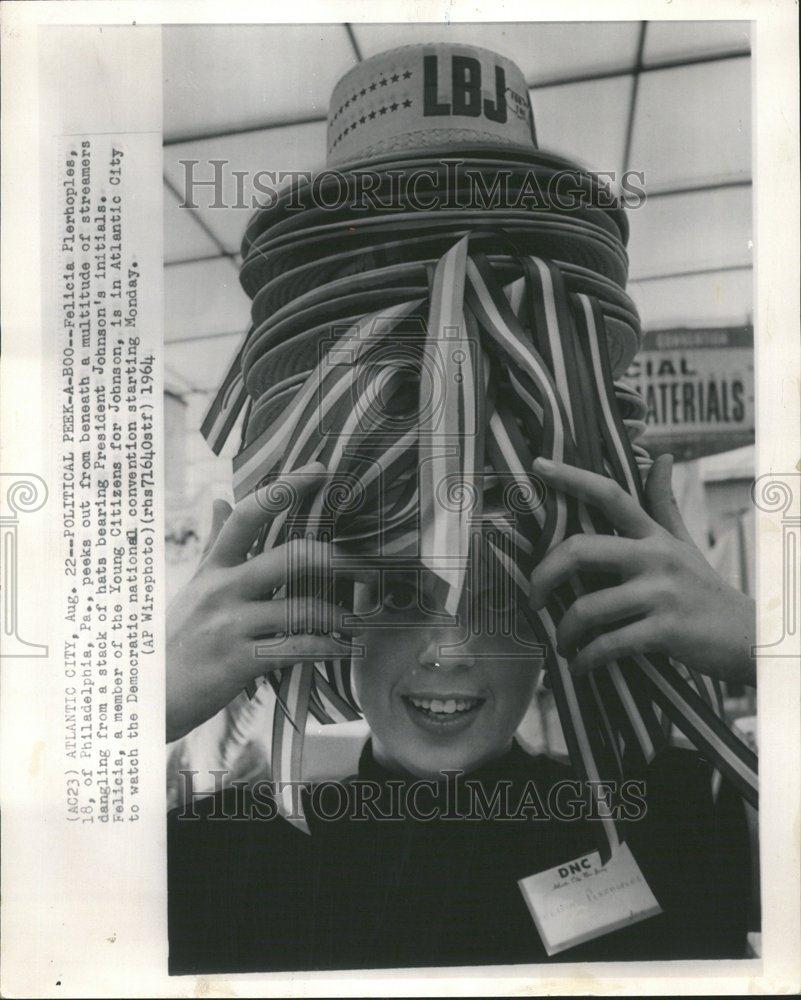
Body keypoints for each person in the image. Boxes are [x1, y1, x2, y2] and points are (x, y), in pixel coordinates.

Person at [167, 455, 755, 973]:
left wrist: (761, 650)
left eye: (498, 600)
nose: (446, 654)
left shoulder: (668, 824)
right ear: (335, 610)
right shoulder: (225, 851)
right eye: (401, 594)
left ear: (551, 624)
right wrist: (150, 701)